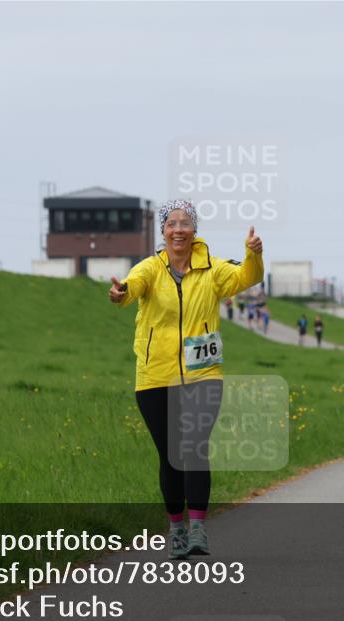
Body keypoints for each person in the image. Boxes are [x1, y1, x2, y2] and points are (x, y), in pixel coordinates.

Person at [108, 199, 263, 558]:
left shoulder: (213, 269)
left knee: (193, 448)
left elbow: (247, 277)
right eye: (171, 223)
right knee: (169, 455)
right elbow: (130, 287)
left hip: (202, 375)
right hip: (154, 376)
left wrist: (253, 254)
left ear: (195, 230)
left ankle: (197, 529)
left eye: (185, 223)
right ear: (162, 231)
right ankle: (175, 528)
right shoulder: (149, 268)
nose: (178, 229)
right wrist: (119, 293)